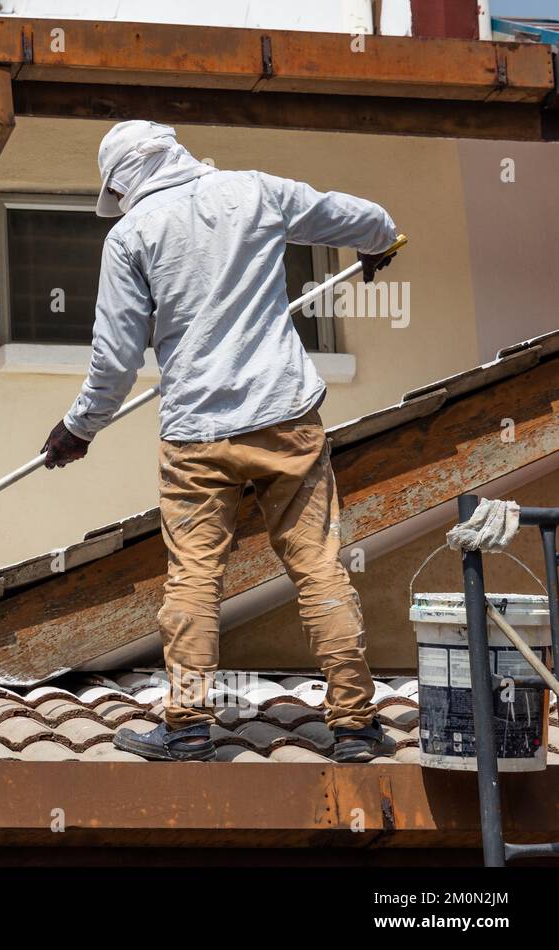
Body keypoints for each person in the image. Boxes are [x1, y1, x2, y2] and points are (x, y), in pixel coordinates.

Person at [41, 121, 399, 763]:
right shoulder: (253, 191)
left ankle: (185, 728)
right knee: (316, 565)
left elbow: (117, 359)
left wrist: (79, 429)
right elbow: (362, 217)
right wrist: (376, 243)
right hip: (285, 416)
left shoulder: (130, 236)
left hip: (197, 435)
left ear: (123, 185)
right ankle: (354, 724)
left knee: (194, 577)